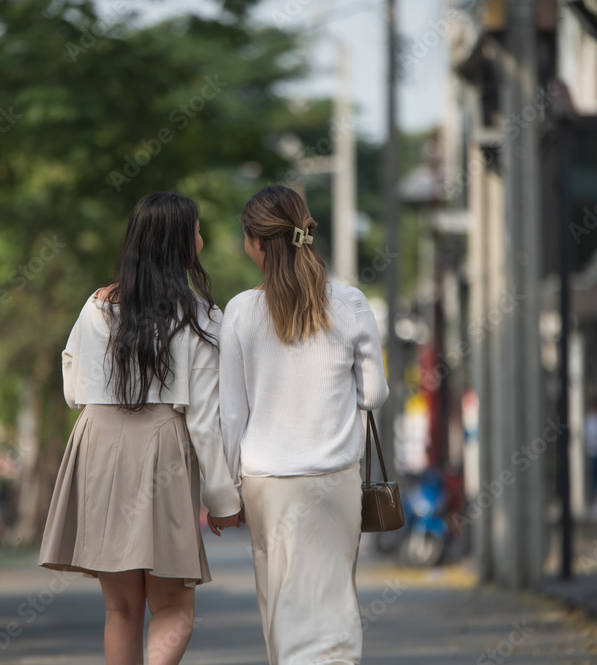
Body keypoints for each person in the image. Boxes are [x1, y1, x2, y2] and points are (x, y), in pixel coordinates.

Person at [39, 192, 243, 665]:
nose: (202, 239)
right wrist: (222, 500)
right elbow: (206, 420)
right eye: (196, 230)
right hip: (163, 449)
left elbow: (74, 389)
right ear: (178, 243)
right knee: (173, 607)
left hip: (98, 446)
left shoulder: (95, 305)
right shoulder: (199, 317)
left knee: (121, 610)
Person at [220, 185, 389, 664]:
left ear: (255, 243)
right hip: (334, 479)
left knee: (281, 606)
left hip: (265, 482)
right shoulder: (351, 302)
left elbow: (232, 415)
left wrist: (227, 488)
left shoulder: (238, 312)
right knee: (333, 605)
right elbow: (374, 394)